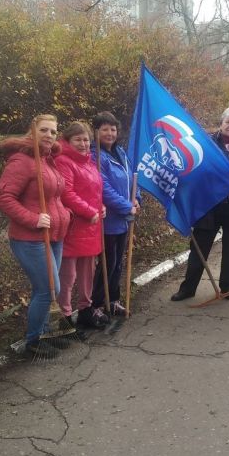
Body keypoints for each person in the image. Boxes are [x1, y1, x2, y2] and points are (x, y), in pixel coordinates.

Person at [0, 114, 71, 359]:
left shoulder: (48, 160)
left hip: (54, 235)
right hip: (30, 238)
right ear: (32, 131)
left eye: (53, 132)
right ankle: (34, 341)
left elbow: (54, 195)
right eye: (44, 130)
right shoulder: (22, 161)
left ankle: (44, 333)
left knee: (48, 289)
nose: (49, 135)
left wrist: (65, 214)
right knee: (48, 288)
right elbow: (2, 197)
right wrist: (32, 218)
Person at [171, 105, 229, 301]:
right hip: (208, 206)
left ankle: (226, 287)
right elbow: (193, 167)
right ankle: (188, 288)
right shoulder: (206, 144)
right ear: (221, 124)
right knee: (199, 249)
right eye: (228, 122)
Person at [56, 121, 109, 332]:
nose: (83, 144)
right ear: (67, 141)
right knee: (68, 276)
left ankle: (85, 310)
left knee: (88, 272)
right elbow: (66, 193)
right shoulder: (63, 161)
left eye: (86, 139)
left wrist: (101, 206)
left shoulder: (89, 162)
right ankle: (65, 316)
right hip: (73, 227)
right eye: (77, 139)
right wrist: (89, 211)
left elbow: (95, 192)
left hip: (91, 226)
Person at [91, 111, 140, 317]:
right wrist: (126, 206)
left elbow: (132, 178)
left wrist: (136, 198)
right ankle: (97, 304)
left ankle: (113, 300)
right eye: (105, 129)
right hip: (108, 220)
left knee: (118, 262)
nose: (110, 133)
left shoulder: (120, 152)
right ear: (96, 132)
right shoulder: (95, 156)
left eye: (113, 129)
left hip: (123, 220)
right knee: (107, 263)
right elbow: (104, 189)